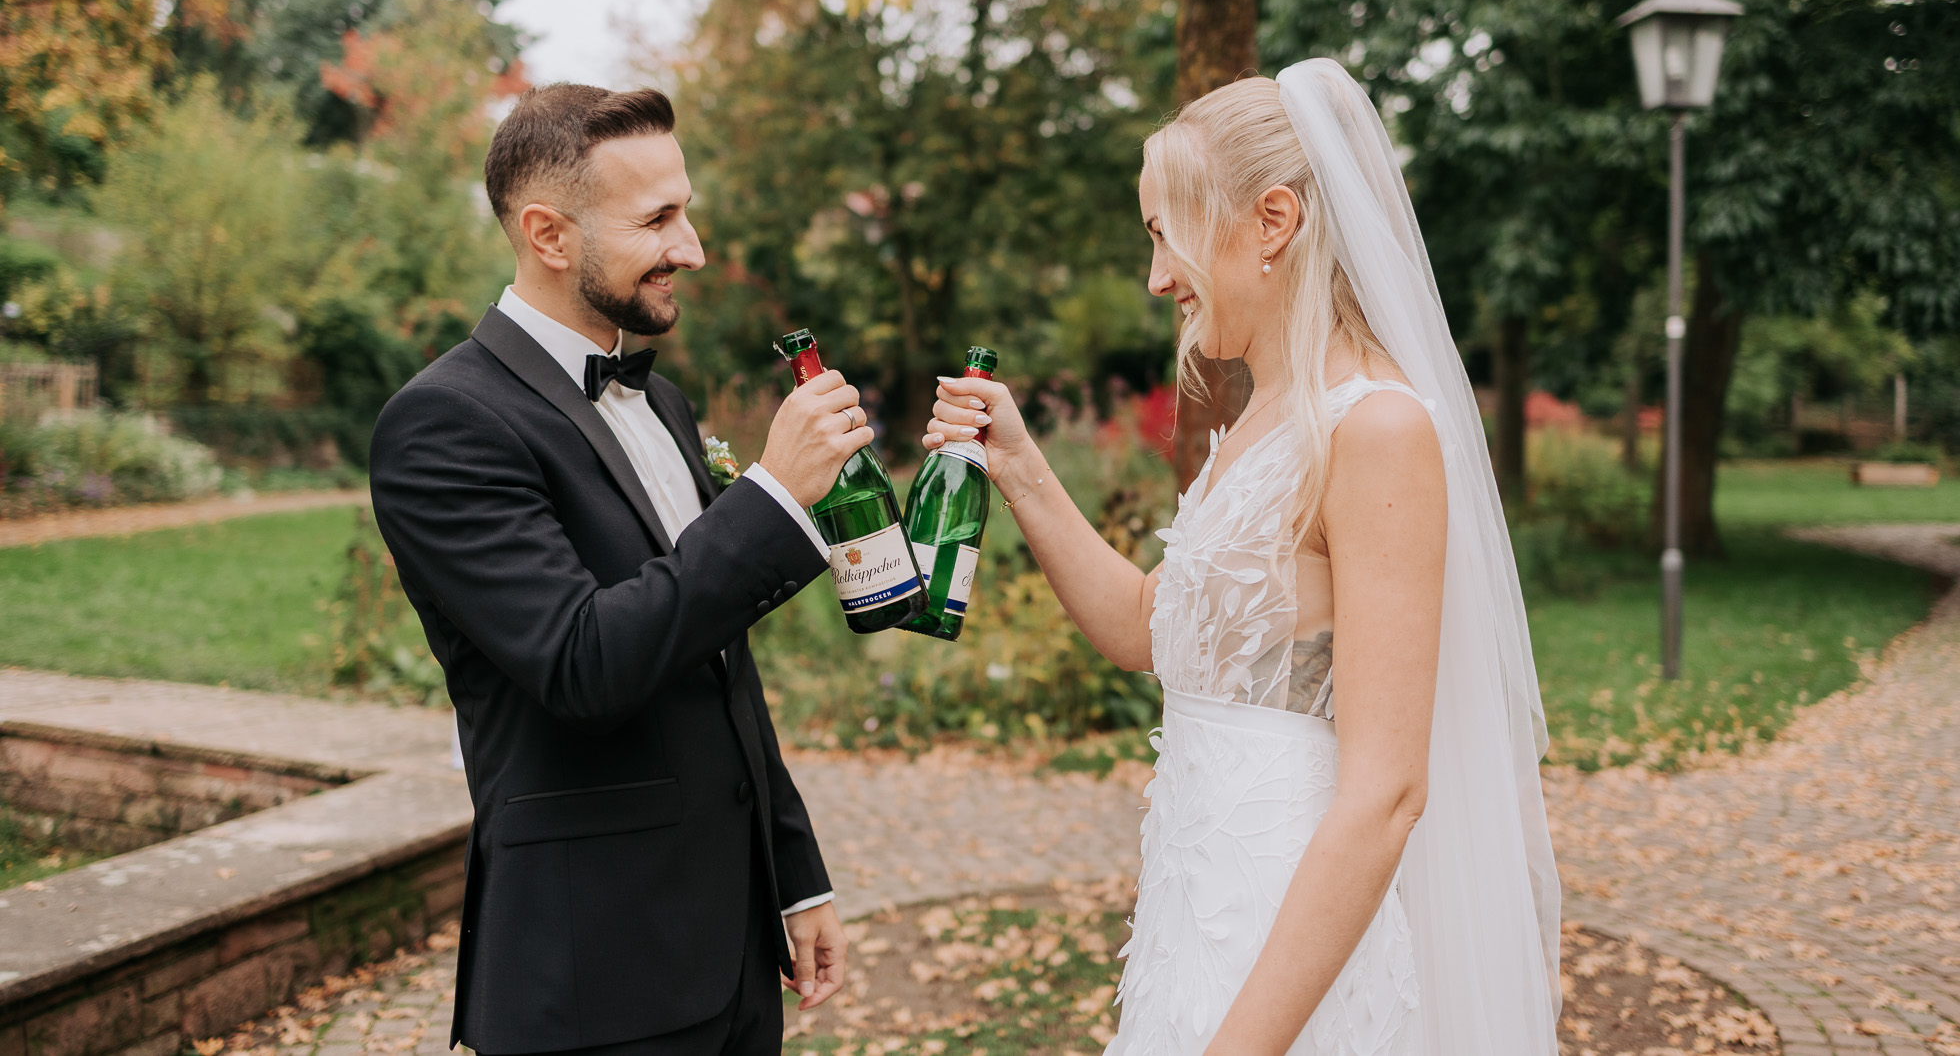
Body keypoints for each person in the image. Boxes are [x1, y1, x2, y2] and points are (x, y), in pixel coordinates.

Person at [922, 60, 1561, 1054]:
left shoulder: (1378, 428)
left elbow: (1388, 791)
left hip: (1291, 961)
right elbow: (1148, 627)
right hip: (1195, 926)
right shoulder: (1261, 416)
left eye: (1163, 233)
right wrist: (1019, 467)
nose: (1156, 276)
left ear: (1271, 221)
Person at [370, 84, 866, 1056]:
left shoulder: (665, 402)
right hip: (590, 980)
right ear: (549, 235)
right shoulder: (443, 424)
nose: (694, 248)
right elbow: (581, 662)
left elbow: (716, 662)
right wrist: (772, 492)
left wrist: (794, 871)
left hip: (730, 952)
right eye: (659, 219)